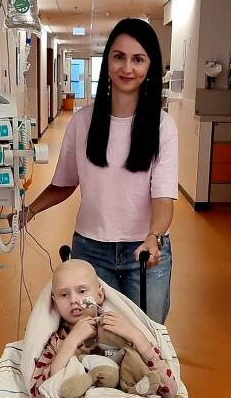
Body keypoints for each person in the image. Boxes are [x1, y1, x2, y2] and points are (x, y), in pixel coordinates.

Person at [24, 18, 178, 323]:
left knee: (146, 335)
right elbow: (64, 183)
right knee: (92, 335)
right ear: (107, 61)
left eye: (138, 59)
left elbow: (163, 196)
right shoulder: (83, 121)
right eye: (119, 57)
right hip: (91, 249)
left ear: (150, 67)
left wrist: (154, 236)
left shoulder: (162, 126)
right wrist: (29, 211)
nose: (127, 68)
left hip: (144, 252)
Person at [30, 259, 179, 398]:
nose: (73, 300)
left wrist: (137, 337)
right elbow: (38, 395)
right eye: (64, 295)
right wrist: (70, 343)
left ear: (100, 296)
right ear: (54, 303)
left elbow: (169, 391)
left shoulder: (118, 330)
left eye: (82, 291)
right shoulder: (56, 342)